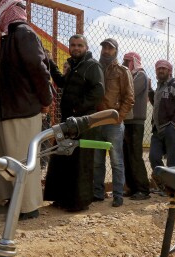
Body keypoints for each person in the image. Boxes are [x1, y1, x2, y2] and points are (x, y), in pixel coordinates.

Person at [0, 0, 53, 220]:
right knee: (11, 158)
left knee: (23, 160)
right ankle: (14, 202)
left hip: (23, 109)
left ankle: (28, 208)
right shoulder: (9, 38)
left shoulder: (23, 34)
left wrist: (46, 99)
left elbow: (39, 70)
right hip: (12, 108)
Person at [44, 34, 104, 212]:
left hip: (83, 122)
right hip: (68, 121)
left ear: (86, 47)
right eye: (73, 45)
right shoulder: (75, 66)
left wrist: (79, 110)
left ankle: (78, 202)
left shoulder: (92, 66)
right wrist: (51, 63)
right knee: (62, 158)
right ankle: (62, 198)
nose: (76, 48)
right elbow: (62, 82)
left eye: (79, 45)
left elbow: (98, 91)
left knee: (80, 162)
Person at [92, 38, 134, 207]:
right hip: (96, 120)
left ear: (115, 51)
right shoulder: (95, 67)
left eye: (110, 48)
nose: (106, 51)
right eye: (104, 48)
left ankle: (118, 195)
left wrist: (119, 117)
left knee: (116, 161)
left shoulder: (122, 71)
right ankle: (97, 193)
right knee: (97, 160)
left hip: (113, 122)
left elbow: (129, 97)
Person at [122, 52, 151, 201]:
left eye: (127, 61)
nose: (124, 63)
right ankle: (132, 188)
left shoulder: (140, 75)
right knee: (127, 155)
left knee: (135, 156)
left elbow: (129, 92)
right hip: (127, 121)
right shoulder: (131, 75)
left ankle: (143, 189)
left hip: (136, 121)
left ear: (134, 61)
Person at [148, 60, 175, 170]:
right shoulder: (159, 86)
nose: (160, 70)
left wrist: (173, 124)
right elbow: (156, 105)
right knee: (153, 157)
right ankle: (163, 183)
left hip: (172, 128)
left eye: (163, 68)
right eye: (158, 68)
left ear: (169, 71)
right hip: (158, 129)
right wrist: (150, 90)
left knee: (172, 161)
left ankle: (173, 186)